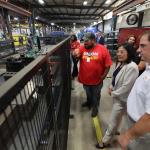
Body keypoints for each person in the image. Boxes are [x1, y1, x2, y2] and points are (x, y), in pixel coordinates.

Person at [118, 31, 150, 150]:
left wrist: (128, 135)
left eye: (143, 46)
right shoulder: (148, 67)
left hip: (141, 130)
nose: (138, 50)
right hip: (134, 124)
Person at [102, 44, 139, 146]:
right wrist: (111, 86)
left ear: (129, 53)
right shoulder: (121, 63)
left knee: (113, 120)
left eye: (122, 52)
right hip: (118, 97)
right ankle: (115, 130)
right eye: (118, 51)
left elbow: (126, 87)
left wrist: (113, 93)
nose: (118, 54)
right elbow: (115, 77)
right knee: (118, 118)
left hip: (123, 99)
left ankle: (105, 141)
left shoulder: (132, 67)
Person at [73, 32, 112, 117]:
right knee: (88, 93)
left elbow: (108, 65)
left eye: (87, 41)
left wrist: (104, 76)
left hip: (97, 80)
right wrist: (75, 54)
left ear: (94, 40)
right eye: (84, 41)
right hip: (85, 79)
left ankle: (95, 108)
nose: (85, 43)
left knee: (96, 96)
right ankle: (88, 102)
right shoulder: (82, 48)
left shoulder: (103, 49)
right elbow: (76, 53)